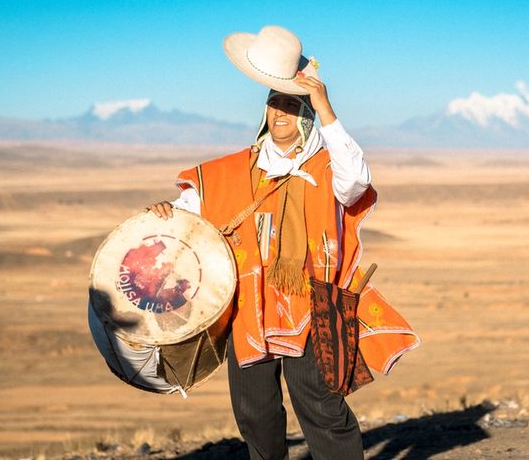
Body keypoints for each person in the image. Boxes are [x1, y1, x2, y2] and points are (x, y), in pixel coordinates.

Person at [148, 26, 419, 460]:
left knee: (321, 407)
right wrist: (166, 213)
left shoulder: (329, 169)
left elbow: (357, 183)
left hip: (309, 307)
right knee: (255, 415)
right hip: (247, 310)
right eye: (275, 103)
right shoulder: (233, 171)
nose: (280, 114)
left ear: (307, 115)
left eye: (291, 106)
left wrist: (325, 106)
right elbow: (189, 212)